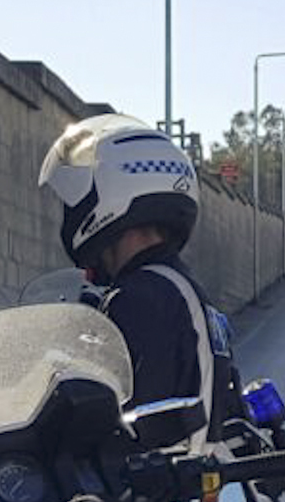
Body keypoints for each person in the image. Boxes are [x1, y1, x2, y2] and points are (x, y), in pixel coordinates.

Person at [37, 115, 243, 441]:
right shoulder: (179, 287)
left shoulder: (142, 299)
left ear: (108, 195)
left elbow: (122, 424)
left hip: (162, 487)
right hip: (195, 471)